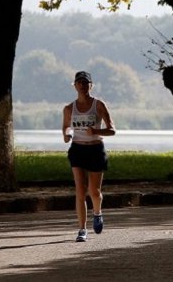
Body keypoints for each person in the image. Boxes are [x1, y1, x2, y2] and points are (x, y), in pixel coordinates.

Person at [62, 70, 116, 242]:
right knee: (80, 190)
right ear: (75, 85)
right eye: (79, 83)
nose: (83, 86)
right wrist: (66, 134)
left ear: (90, 85)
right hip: (77, 149)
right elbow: (65, 127)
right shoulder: (69, 108)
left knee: (94, 191)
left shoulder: (98, 105)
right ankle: (82, 229)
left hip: (95, 150)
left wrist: (96, 131)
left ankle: (98, 213)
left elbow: (112, 130)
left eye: (86, 83)